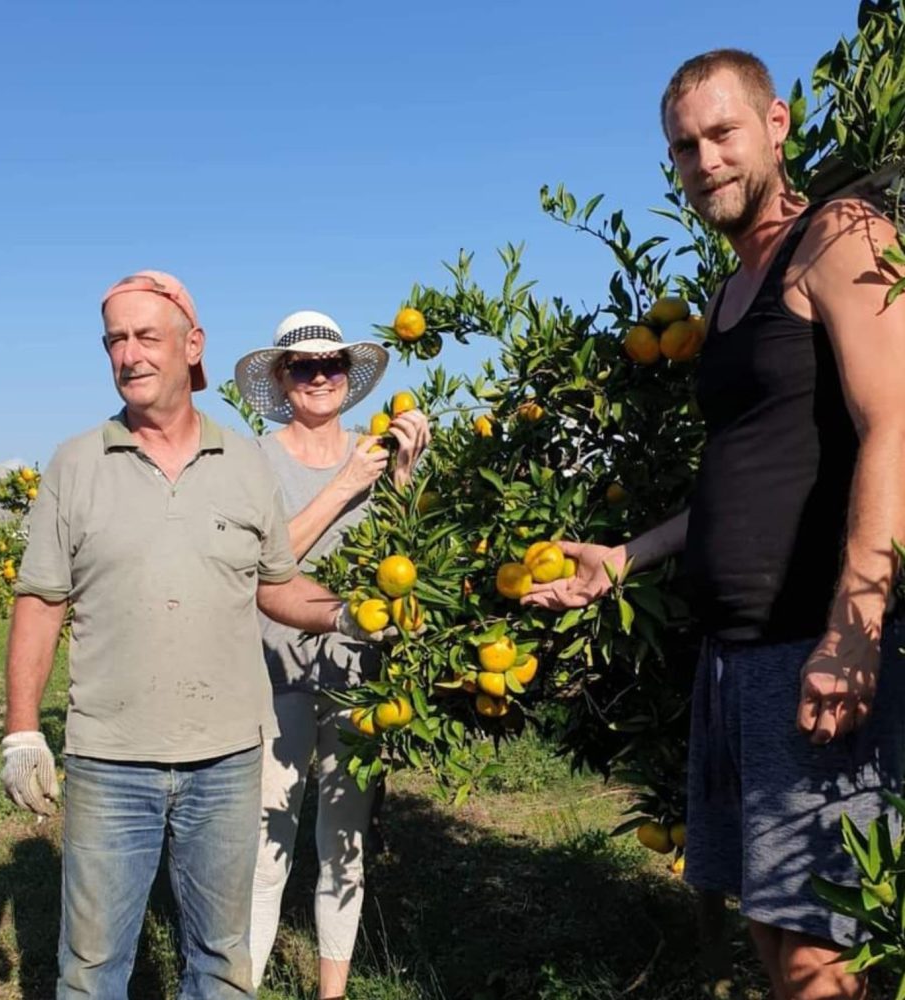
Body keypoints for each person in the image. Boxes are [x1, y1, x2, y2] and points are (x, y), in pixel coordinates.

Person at [524, 51, 905, 1000]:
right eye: (685, 147)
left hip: (814, 644)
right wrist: (624, 556)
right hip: (738, 658)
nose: (706, 160)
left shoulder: (842, 232)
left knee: (827, 947)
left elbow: (896, 421)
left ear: (777, 125)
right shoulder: (732, 295)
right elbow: (742, 485)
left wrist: (854, 633)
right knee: (778, 937)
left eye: (722, 133)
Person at [0, 272, 380, 1000]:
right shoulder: (75, 464)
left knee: (220, 962)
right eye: (116, 338)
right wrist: (23, 731)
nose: (129, 354)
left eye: (147, 336)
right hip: (110, 757)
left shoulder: (241, 463)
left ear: (191, 346)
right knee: (92, 969)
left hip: (229, 757)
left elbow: (274, 584)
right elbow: (41, 599)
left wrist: (344, 614)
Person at [233, 310, 430, 999]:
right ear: (283, 379)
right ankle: (245, 986)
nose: (320, 377)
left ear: (349, 377)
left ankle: (333, 994)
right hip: (273, 671)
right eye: (304, 367)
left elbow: (403, 562)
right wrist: (346, 481)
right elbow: (261, 560)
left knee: (343, 845)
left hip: (358, 677)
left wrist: (401, 474)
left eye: (333, 365)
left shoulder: (374, 451)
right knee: (264, 850)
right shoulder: (252, 458)